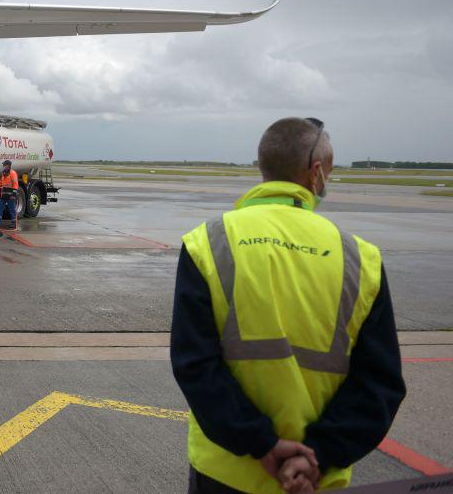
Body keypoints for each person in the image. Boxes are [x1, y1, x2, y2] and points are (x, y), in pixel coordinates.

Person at [171, 117, 405, 493]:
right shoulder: (361, 259)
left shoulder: (208, 243)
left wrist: (261, 445)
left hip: (225, 472)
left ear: (264, 167)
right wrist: (319, 454)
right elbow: (380, 385)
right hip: (315, 478)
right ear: (316, 173)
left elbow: (195, 367)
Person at [0, 160, 19, 228]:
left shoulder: (13, 173)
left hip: (10, 195)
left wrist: (13, 194)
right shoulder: (4, 173)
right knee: (0, 207)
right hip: (4, 194)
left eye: (5, 165)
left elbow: (15, 184)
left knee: (12, 209)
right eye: (4, 165)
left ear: (9, 165)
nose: (4, 166)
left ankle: (14, 222)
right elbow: (1, 181)